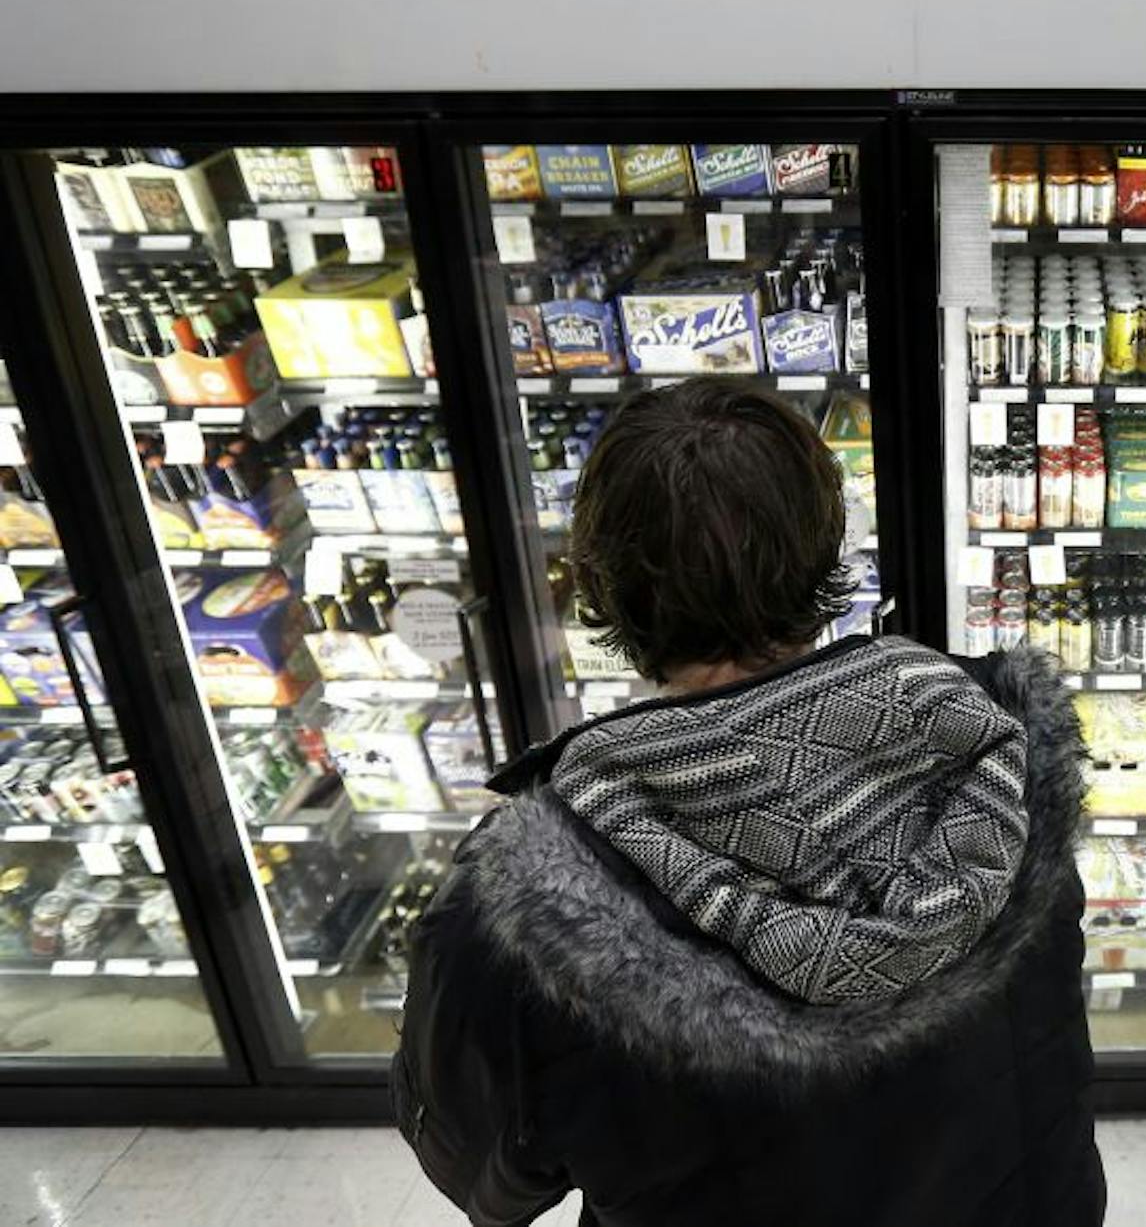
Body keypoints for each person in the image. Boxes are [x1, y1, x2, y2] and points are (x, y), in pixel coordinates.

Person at [393, 377, 1104, 1227]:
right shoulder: (996, 742)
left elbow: (484, 1177)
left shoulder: (525, 905)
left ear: (601, 588)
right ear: (828, 549)